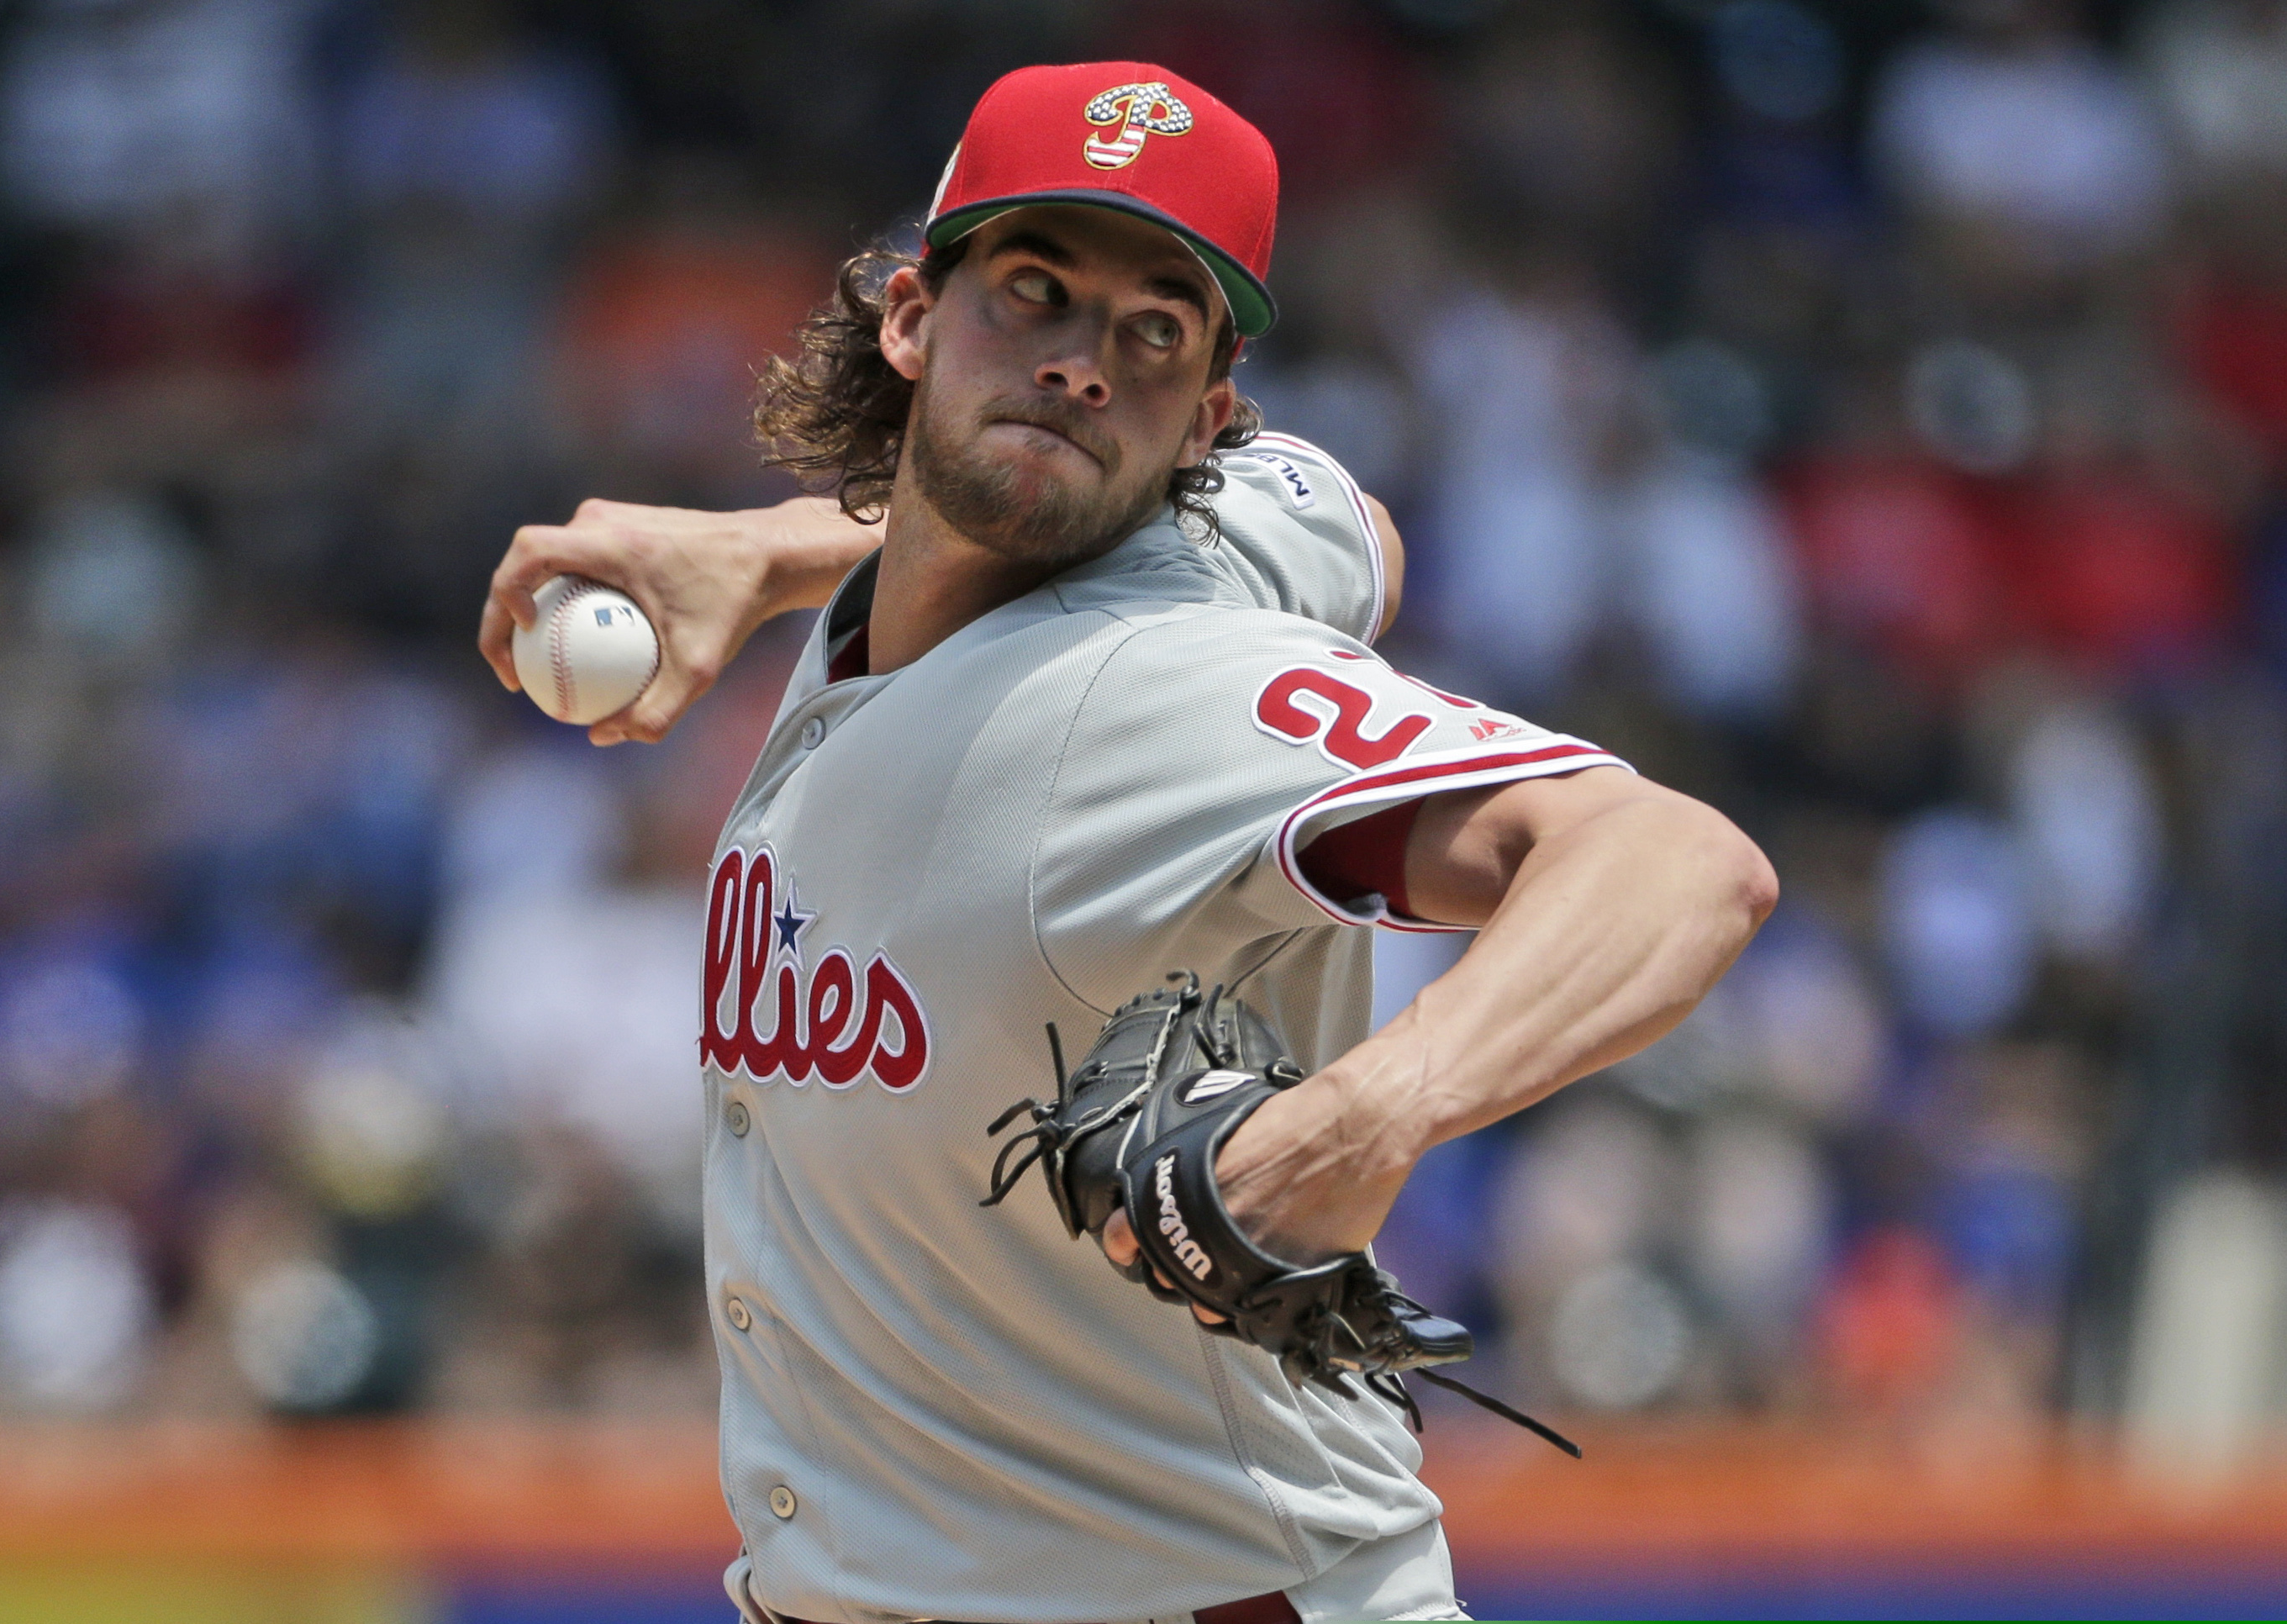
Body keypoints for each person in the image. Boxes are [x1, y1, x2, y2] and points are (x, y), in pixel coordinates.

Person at [480, 63, 1776, 1624]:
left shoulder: (1156, 689)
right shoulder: (1150, 560)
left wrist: (1376, 1113)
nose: (1086, 364)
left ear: (1203, 417)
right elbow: (1347, 518)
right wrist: (768, 551)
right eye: (1034, 292)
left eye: (1154, 334)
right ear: (912, 317)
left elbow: (1677, 860)